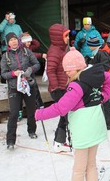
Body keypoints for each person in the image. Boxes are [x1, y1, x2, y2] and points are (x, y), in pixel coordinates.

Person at [35, 48, 110, 181]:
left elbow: (61, 108)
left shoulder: (77, 85)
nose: (67, 73)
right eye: (65, 70)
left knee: (79, 168)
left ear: (78, 67)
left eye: (69, 70)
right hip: (96, 127)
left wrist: (40, 114)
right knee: (91, 165)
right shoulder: (95, 75)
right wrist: (102, 96)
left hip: (83, 130)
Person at [0, 32, 40, 150]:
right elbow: (3, 74)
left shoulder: (26, 52)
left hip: (28, 85)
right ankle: (10, 141)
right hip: (14, 87)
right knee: (14, 113)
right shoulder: (5, 56)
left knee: (31, 110)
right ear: (8, 43)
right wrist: (13, 73)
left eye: (15, 39)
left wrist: (30, 70)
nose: (14, 41)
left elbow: (37, 64)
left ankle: (32, 131)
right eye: (11, 40)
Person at [46, 24, 71, 152]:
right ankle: (59, 142)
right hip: (58, 90)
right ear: (58, 37)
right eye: (65, 36)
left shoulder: (62, 49)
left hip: (64, 87)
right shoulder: (54, 51)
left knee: (66, 116)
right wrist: (57, 88)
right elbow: (50, 70)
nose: (68, 38)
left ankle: (59, 141)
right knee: (66, 115)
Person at [86, 36, 110, 128]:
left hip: (105, 78)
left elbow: (105, 66)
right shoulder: (97, 52)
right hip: (101, 77)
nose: (88, 47)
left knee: (105, 99)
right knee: (101, 99)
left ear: (93, 45)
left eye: (89, 45)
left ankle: (108, 123)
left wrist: (93, 68)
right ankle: (105, 121)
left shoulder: (101, 53)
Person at [20, 32, 45, 108]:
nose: (29, 43)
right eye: (27, 42)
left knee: (35, 89)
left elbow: (37, 44)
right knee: (25, 91)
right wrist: (41, 55)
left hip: (31, 71)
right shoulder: (21, 49)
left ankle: (40, 105)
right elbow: (31, 55)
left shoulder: (29, 47)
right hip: (24, 72)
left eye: (30, 42)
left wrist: (29, 38)